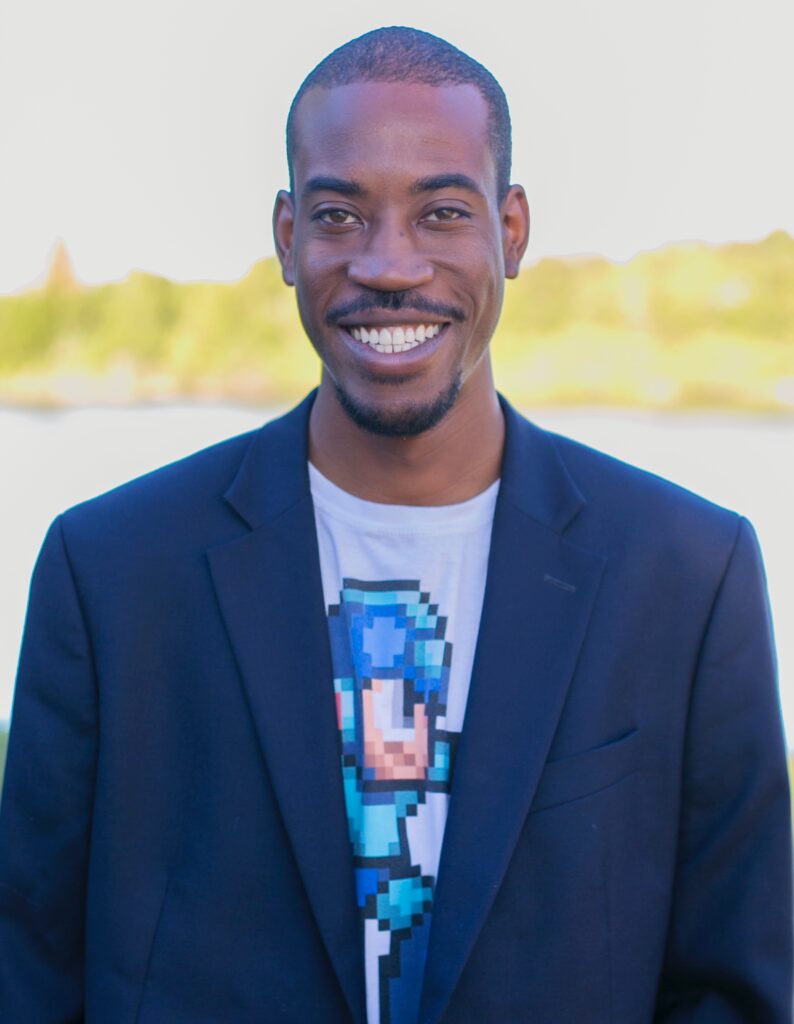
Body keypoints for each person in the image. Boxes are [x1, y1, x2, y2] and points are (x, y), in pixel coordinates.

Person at [0, 25, 791, 1024]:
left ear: (510, 230)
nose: (389, 264)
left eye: (441, 212)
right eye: (340, 214)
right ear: (287, 237)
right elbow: (30, 971)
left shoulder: (687, 574)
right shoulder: (109, 573)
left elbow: (733, 988)